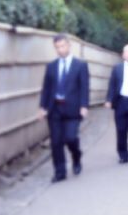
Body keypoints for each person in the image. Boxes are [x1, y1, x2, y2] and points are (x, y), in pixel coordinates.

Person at [38, 34, 90, 183]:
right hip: (55, 109)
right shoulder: (51, 66)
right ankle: (60, 172)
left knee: (71, 138)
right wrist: (43, 107)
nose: (60, 50)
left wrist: (84, 105)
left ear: (69, 45)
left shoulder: (80, 65)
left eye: (62, 46)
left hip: (73, 109)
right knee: (56, 142)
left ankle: (76, 156)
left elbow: (84, 87)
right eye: (57, 47)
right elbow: (46, 88)